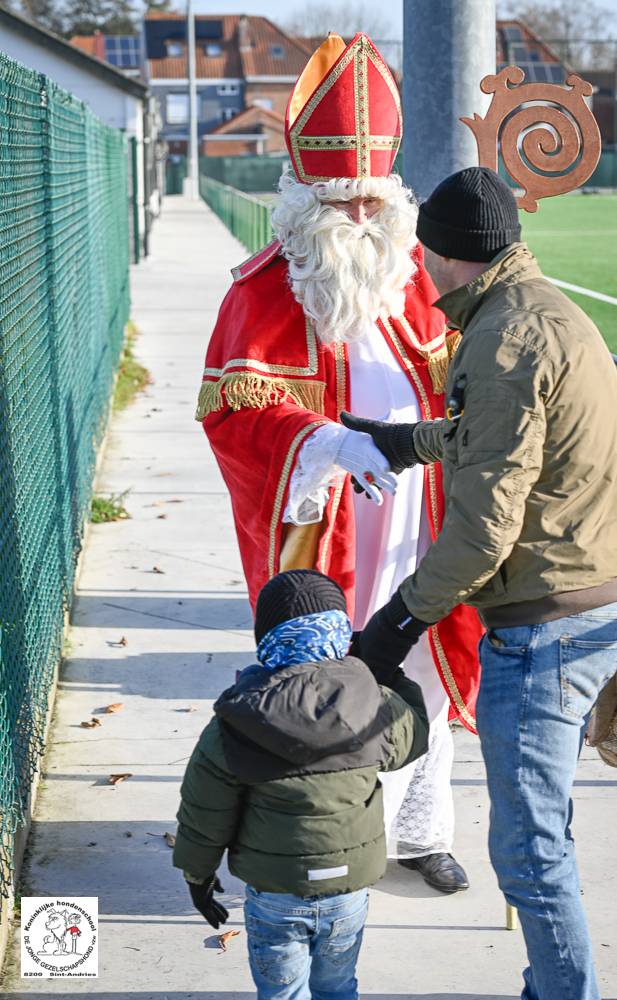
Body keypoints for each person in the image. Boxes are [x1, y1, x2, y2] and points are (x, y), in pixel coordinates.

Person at [196, 32, 482, 894]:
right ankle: (328, 836)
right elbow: (234, 420)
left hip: (423, 523)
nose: (359, 219)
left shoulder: (418, 285)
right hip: (324, 534)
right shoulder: (261, 292)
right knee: (327, 681)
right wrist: (326, 442)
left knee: (427, 669)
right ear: (303, 199)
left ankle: (419, 832)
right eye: (340, 203)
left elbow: (463, 379)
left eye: (370, 201)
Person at [348, 165, 617, 1000]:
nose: (420, 269)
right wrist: (407, 443)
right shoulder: (546, 314)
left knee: (529, 851)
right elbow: (501, 439)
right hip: (594, 602)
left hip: (546, 630)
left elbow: (484, 528)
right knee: (546, 832)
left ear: (448, 255)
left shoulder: (500, 340)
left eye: (425, 253)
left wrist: (397, 621)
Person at [172, 569, 429, 1000]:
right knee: (338, 987)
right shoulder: (374, 700)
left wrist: (197, 875)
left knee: (283, 994)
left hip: (277, 891)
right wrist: (390, 675)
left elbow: (205, 810)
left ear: (267, 637)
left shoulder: (237, 718)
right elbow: (414, 737)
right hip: (347, 890)